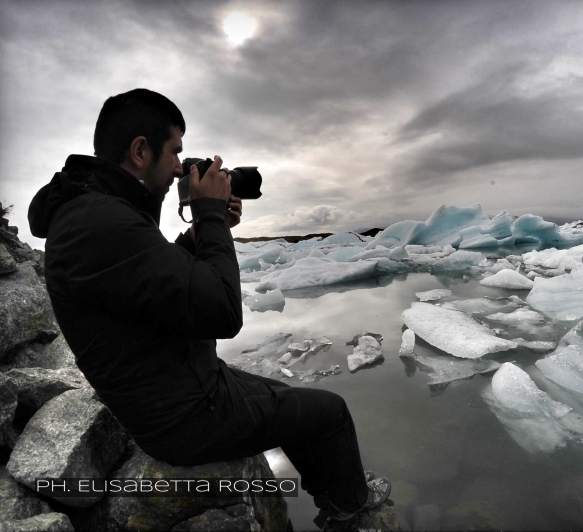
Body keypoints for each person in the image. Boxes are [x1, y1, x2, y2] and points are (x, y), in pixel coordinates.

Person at [27, 88, 389, 525]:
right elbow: (221, 312)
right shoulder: (100, 221)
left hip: (181, 386)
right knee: (330, 413)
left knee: (296, 401)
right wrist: (212, 218)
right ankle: (349, 507)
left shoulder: (97, 212)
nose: (182, 166)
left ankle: (329, 489)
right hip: (185, 417)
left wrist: (202, 231)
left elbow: (156, 278)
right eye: (175, 152)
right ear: (140, 150)